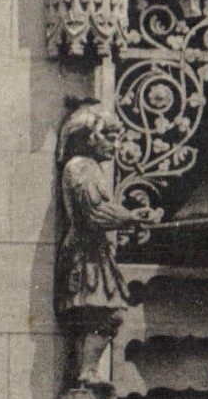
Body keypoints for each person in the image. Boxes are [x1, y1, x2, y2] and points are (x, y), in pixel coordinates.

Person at [55, 100, 159, 380]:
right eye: (109, 137)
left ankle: (84, 373)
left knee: (97, 312)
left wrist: (130, 217)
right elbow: (95, 211)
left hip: (91, 250)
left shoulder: (85, 167)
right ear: (89, 137)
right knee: (107, 311)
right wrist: (131, 217)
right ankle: (87, 372)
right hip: (87, 252)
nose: (115, 145)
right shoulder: (82, 168)